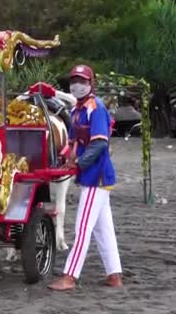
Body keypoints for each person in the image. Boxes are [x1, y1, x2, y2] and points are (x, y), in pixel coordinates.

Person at [47, 65, 123, 291]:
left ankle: (70, 276)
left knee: (82, 229)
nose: (77, 85)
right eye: (73, 81)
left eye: (82, 80)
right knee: (103, 229)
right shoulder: (76, 110)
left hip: (95, 177)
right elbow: (71, 144)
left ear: (91, 83)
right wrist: (64, 160)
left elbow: (100, 143)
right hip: (92, 176)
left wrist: (78, 163)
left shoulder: (96, 108)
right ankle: (114, 275)